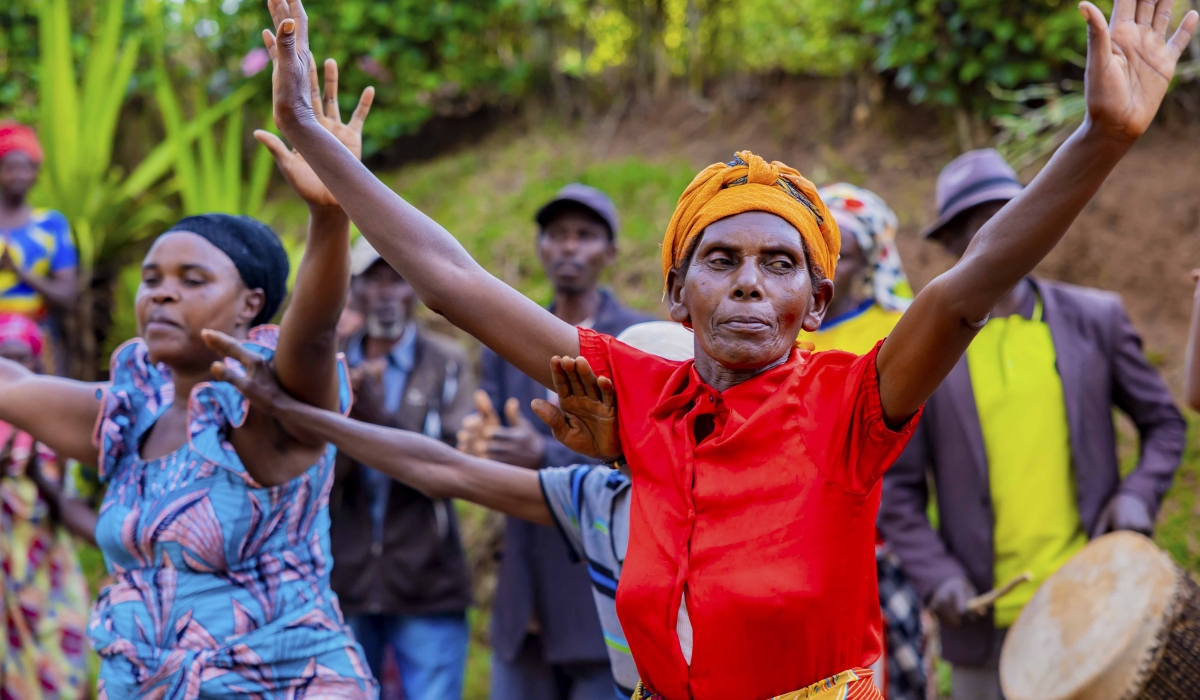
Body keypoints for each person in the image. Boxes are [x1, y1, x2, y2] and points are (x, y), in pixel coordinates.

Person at [259, 0, 1196, 696]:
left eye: (780, 263)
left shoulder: (852, 407)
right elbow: (452, 282)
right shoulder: (642, 398)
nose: (750, 280)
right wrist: (316, 142)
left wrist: (1100, 140)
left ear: (815, 299)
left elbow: (968, 284)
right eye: (722, 258)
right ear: (677, 289)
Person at [0, 58, 379, 698]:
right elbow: (8, 385)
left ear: (251, 303)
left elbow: (312, 333)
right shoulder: (127, 417)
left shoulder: (275, 408)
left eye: (192, 280)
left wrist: (331, 215)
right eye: (151, 280)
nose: (162, 296)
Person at [205, 320, 692, 700]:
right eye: (618, 398)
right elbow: (440, 467)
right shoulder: (596, 497)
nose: (641, 419)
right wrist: (299, 414)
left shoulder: (737, 503)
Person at [878, 148, 1186, 700]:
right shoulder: (925, 346)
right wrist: (936, 576)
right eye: (980, 228)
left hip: (1095, 602)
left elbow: (1165, 424)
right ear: (953, 245)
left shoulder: (1096, 321)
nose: (1005, 240)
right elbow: (896, 488)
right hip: (983, 618)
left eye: (1015, 218)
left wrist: (1138, 496)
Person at [466, 183, 652, 700]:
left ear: (610, 253)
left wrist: (542, 454)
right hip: (524, 595)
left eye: (585, 236)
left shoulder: (640, 341)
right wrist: (479, 441)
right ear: (541, 248)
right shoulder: (506, 338)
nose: (569, 247)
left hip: (602, 592)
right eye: (557, 235)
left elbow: (654, 455)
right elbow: (490, 426)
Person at [331, 236, 475, 700]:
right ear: (354, 290)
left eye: (399, 280)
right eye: (375, 280)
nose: (388, 293)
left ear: (414, 289)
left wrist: (376, 419)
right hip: (342, 579)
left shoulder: (446, 364)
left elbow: (456, 471)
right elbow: (306, 468)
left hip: (427, 581)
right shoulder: (327, 362)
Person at [808, 184, 927, 700]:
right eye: (819, 253)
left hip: (882, 534)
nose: (829, 269)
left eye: (845, 255)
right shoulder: (782, 329)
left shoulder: (897, 328)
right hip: (802, 537)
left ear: (872, 259)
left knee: (889, 673)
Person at [0, 314, 94, 700]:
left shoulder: (58, 429)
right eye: (7, 359)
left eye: (25, 360)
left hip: (46, 567)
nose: (18, 370)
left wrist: (39, 480)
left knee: (63, 663)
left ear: (39, 366)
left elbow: (70, 506)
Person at [0, 122, 79, 374]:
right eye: (10, 167)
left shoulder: (51, 225)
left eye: (27, 167)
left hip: (38, 338)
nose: (18, 175)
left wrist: (19, 272)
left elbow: (67, 295)